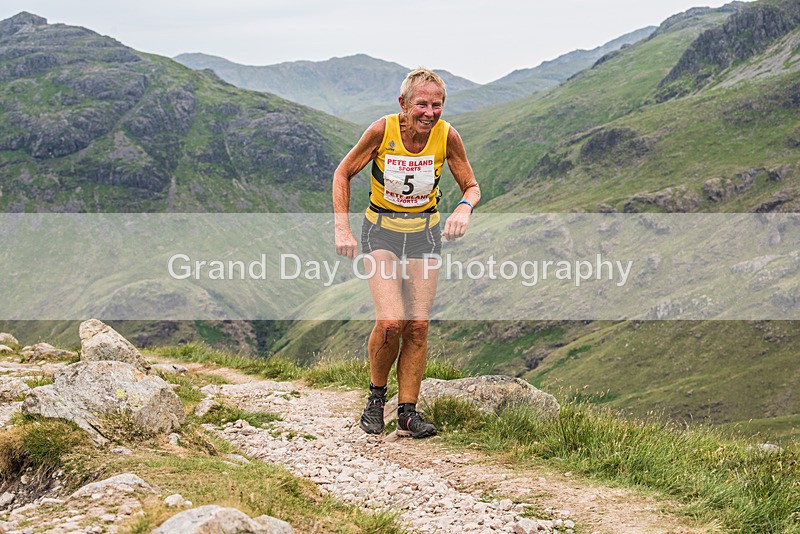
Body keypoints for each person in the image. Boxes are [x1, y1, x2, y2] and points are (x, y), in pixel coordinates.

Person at [332, 68, 480, 438]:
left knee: (417, 325)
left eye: (437, 104)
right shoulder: (383, 130)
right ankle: (376, 398)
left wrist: (464, 207)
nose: (429, 112)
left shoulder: (447, 137)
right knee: (390, 322)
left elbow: (472, 186)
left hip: (424, 236)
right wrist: (341, 227)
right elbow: (342, 172)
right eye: (421, 104)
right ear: (403, 104)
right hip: (381, 233)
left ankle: (408, 412)